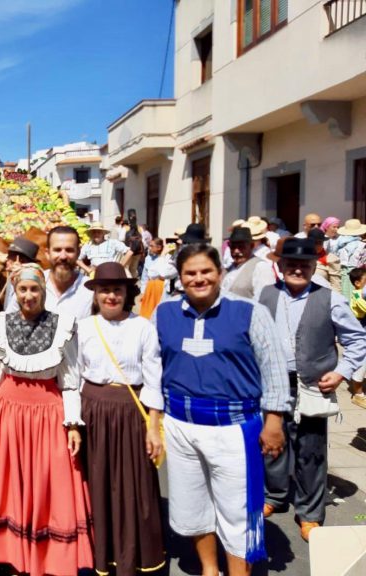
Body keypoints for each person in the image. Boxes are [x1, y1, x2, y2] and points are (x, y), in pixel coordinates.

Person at [153, 243, 290, 575]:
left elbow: (273, 367)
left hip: (234, 426)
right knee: (192, 506)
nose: (199, 278)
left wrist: (274, 421)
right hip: (181, 425)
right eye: (191, 273)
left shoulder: (249, 311)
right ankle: (209, 568)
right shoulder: (165, 312)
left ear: (220, 273)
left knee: (236, 509)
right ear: (180, 277)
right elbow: (153, 367)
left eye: (206, 271)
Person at [0, 263, 92, 576]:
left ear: (43, 291)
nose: (28, 295)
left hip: (48, 414)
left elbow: (69, 379)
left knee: (46, 485)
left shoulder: (63, 325)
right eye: (22, 289)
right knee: (9, 483)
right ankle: (12, 553)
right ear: (15, 291)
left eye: (34, 289)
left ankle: (46, 557)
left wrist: (73, 422)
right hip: (8, 412)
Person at [259, 238, 366, 542]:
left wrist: (342, 373)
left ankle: (309, 513)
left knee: (311, 449)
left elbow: (358, 340)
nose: (296, 270)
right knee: (272, 443)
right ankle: (275, 495)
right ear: (280, 267)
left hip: (313, 384)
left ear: (312, 267)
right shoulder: (266, 295)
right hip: (274, 382)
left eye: (303, 265)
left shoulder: (329, 298)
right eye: (290, 264)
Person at [77, 263, 165, 575]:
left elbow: (154, 379)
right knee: (97, 484)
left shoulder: (143, 327)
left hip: (131, 412)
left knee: (133, 486)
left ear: (127, 292)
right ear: (95, 294)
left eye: (117, 289)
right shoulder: (85, 327)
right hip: (93, 411)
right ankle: (100, 555)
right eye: (104, 289)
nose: (111, 295)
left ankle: (135, 556)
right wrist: (73, 421)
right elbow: (74, 377)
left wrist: (153, 427)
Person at [221, 226, 276, 299]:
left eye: (241, 247)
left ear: (251, 246)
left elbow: (265, 300)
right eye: (233, 247)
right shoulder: (229, 268)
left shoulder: (261, 267)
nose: (236, 251)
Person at [3, 236, 40, 313]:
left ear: (20, 260)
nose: (6, 259)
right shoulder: (12, 276)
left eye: (9, 256)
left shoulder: (31, 281)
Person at [347, 267, 366, 409]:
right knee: (361, 364)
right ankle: (358, 394)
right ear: (357, 283)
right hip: (361, 334)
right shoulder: (357, 295)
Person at [308, 228, 342, 292]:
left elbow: (336, 285)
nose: (317, 245)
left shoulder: (331, 259)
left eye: (319, 243)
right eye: (314, 243)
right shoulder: (303, 257)